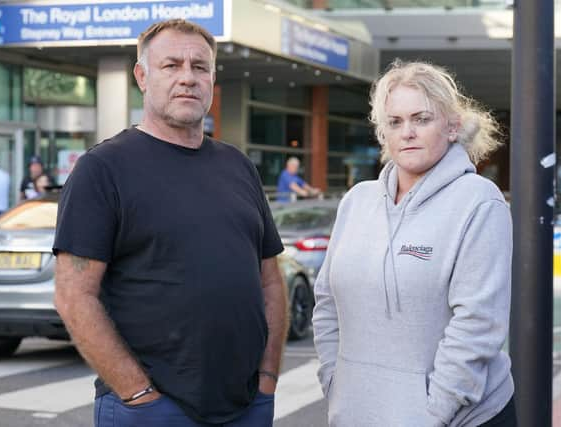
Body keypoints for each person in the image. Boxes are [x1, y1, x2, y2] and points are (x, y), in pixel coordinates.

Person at [53, 19, 288, 427]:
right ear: (142, 76)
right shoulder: (102, 169)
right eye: (171, 65)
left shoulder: (238, 166)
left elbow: (270, 279)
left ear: (213, 78)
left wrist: (267, 379)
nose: (187, 78)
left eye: (200, 67)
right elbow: (74, 296)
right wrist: (137, 393)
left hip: (247, 405)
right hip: (153, 410)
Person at [312, 60, 515, 427]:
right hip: (360, 414)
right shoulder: (357, 201)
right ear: (383, 133)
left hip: (455, 418)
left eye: (421, 119)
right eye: (395, 122)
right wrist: (336, 384)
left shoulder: (479, 201)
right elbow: (327, 302)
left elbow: (477, 325)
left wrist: (431, 414)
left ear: (452, 126)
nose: (407, 132)